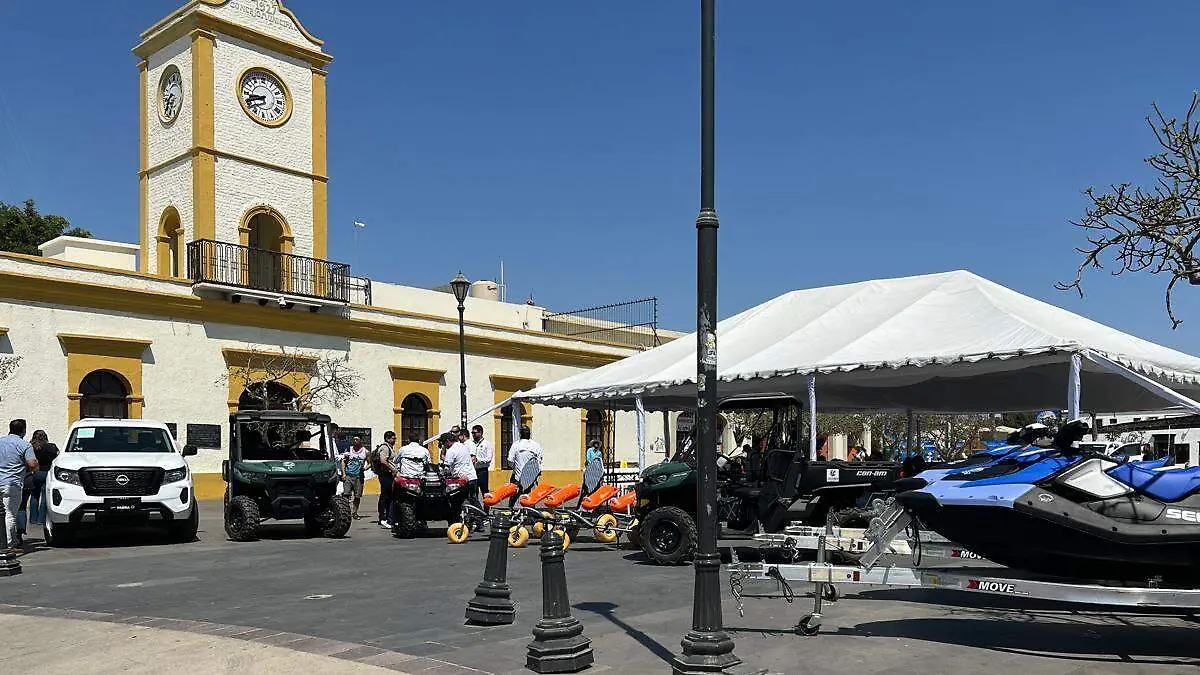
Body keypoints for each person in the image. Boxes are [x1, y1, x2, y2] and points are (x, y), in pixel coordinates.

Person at [0, 419, 36, 554]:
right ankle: (7, 545)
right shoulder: (24, 445)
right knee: (9, 514)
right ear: (24, 430)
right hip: (12, 483)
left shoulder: (1, 441)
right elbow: (32, 464)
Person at [18, 430, 57, 536]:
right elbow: (56, 458)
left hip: (34, 473)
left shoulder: (30, 446)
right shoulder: (51, 447)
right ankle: (41, 518)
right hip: (46, 472)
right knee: (45, 496)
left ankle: (33, 519)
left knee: (34, 496)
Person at [507, 426, 543, 507]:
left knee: (514, 497)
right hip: (532, 478)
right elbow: (539, 461)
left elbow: (510, 460)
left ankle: (514, 513)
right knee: (530, 498)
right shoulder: (536, 445)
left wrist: (515, 469)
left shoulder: (516, 445)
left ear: (520, 434)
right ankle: (530, 514)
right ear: (529, 434)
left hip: (517, 477)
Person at [443, 431, 480, 508]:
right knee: (473, 500)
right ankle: (481, 517)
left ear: (447, 441)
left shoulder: (451, 450)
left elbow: (446, 467)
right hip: (472, 477)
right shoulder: (463, 446)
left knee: (460, 501)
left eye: (444, 443)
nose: (444, 445)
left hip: (462, 479)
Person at [373, 431, 398, 529]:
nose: (395, 440)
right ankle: (383, 518)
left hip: (388, 474)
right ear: (388, 438)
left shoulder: (389, 447)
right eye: (393, 438)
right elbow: (383, 461)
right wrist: (392, 469)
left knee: (389, 496)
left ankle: (388, 517)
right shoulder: (384, 447)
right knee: (385, 496)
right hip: (385, 474)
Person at [340, 436, 368, 519]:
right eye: (354, 440)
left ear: (361, 441)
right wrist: (344, 474)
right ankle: (345, 512)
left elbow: (370, 463)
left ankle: (354, 512)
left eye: (357, 440)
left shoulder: (365, 452)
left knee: (357, 496)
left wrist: (365, 468)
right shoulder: (349, 450)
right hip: (348, 475)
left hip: (359, 477)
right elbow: (343, 462)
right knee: (346, 495)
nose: (355, 441)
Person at [470, 424, 492, 507]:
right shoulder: (471, 444)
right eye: (472, 433)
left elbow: (488, 459)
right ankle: (476, 511)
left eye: (474, 433)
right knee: (474, 492)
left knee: (485, 492)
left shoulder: (487, 444)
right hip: (473, 471)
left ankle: (486, 510)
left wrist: (478, 460)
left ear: (480, 433)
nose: (473, 435)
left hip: (482, 471)